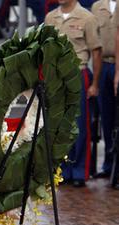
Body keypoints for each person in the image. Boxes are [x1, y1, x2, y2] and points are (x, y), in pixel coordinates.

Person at [45, 0, 102, 187]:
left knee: (80, 126)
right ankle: (62, 170)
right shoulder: (51, 18)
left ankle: (79, 171)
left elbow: (96, 52)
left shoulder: (87, 17)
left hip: (78, 73)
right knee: (59, 125)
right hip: (56, 76)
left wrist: (94, 84)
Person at [91, 0, 116, 179]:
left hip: (118, 65)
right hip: (104, 65)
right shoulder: (97, 7)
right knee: (106, 118)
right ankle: (108, 165)